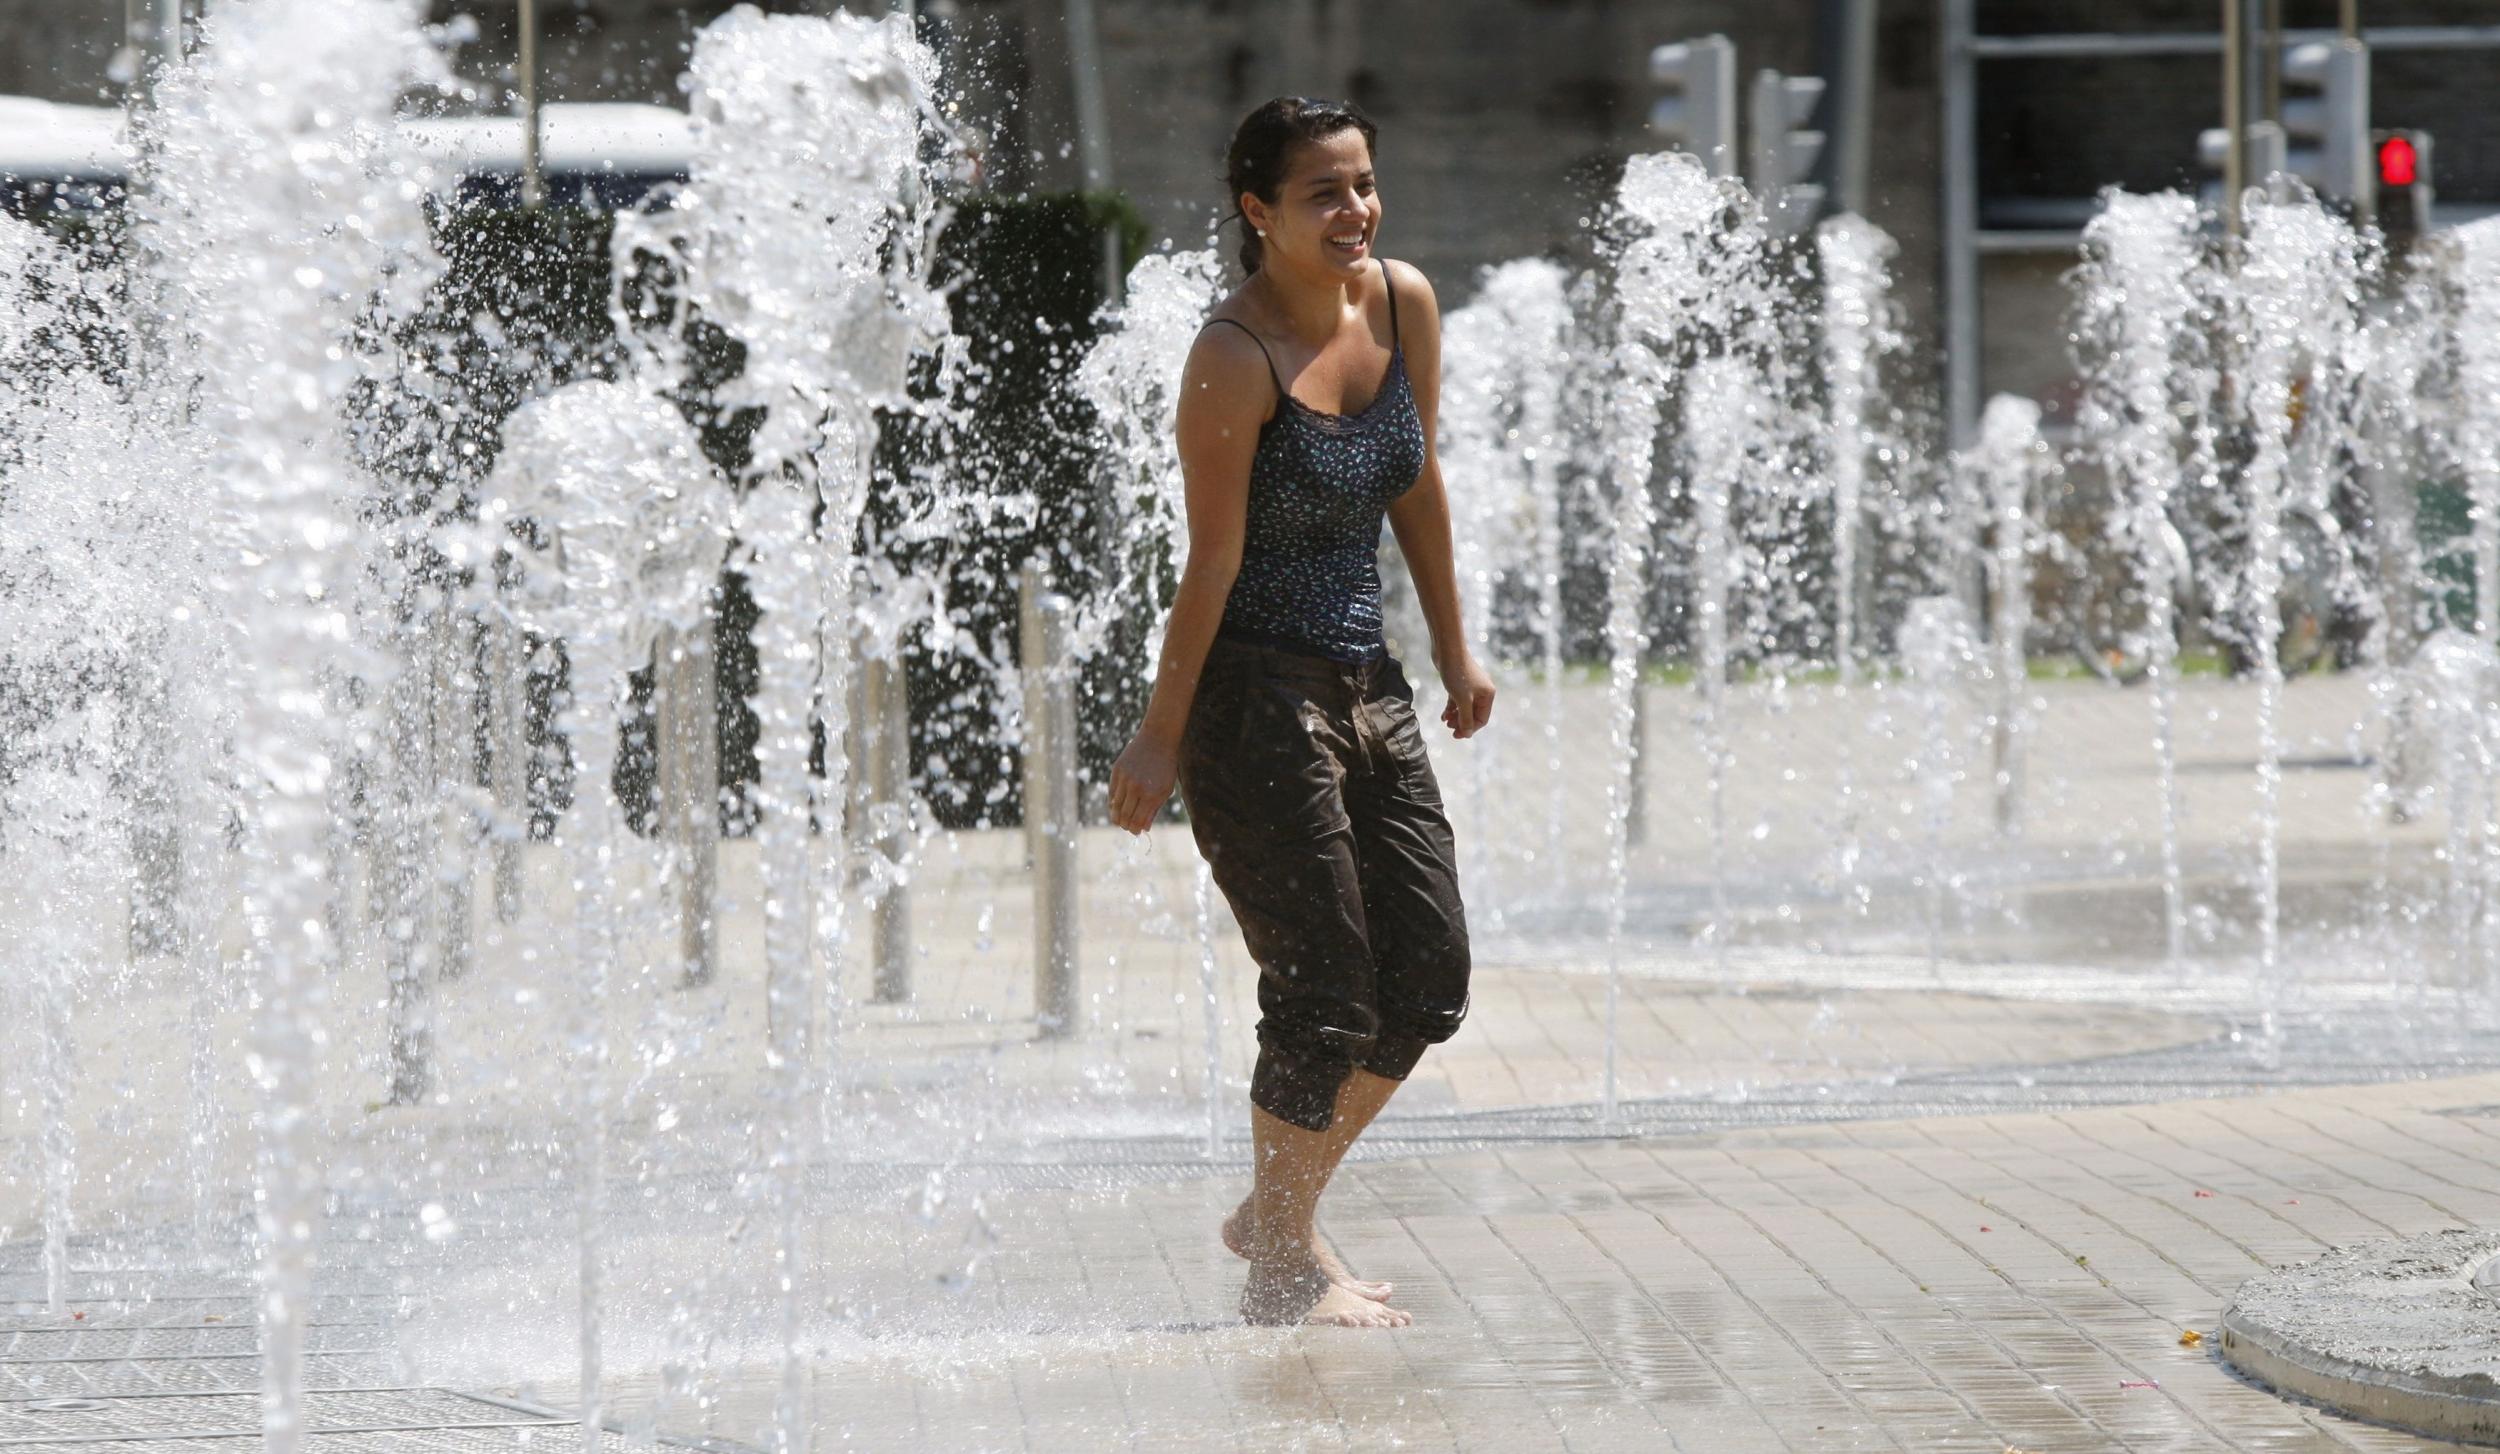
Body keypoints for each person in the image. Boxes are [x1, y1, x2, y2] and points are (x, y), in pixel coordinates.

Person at [1105, 96, 1496, 1329]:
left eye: (1364, 183)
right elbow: (1209, 564)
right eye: (1323, 191)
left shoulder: (1400, 301)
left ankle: (1276, 1207)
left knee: (1426, 972)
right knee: (1326, 983)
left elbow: (1415, 482)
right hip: (1249, 690)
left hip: (1363, 675)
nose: (1355, 210)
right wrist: (1161, 734)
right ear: (1257, 210)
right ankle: (1284, 1249)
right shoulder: (1233, 357)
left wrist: (1453, 643)